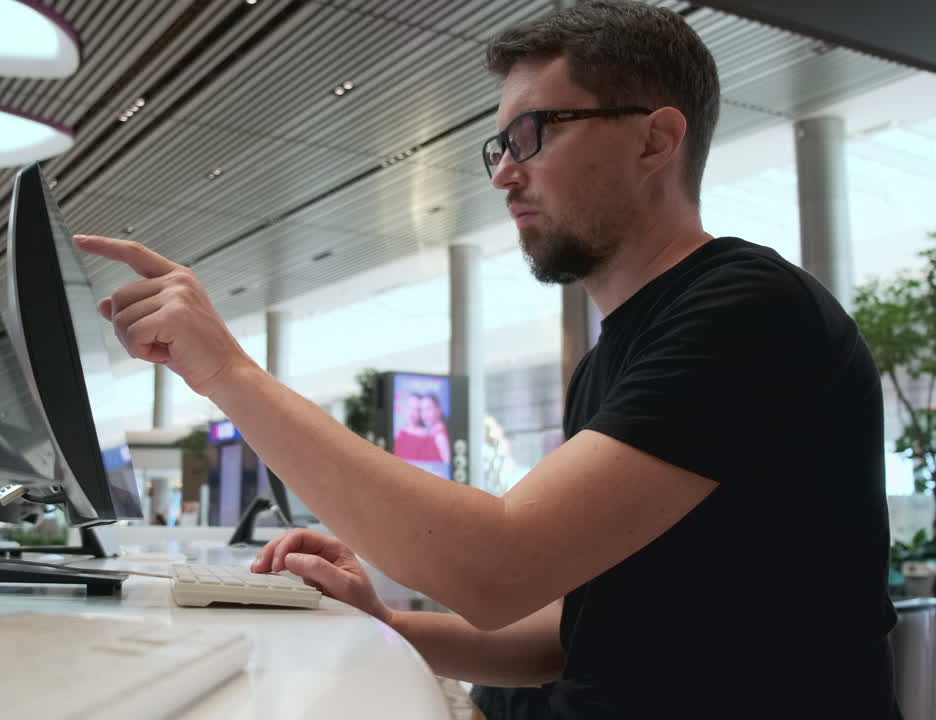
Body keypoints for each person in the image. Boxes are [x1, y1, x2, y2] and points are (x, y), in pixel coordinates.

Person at [74, 2, 898, 717]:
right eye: (498, 145)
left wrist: (230, 374)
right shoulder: (614, 357)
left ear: (656, 139)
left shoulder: (749, 309)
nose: (505, 172)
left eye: (532, 135)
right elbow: (576, 634)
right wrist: (383, 626)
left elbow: (497, 567)